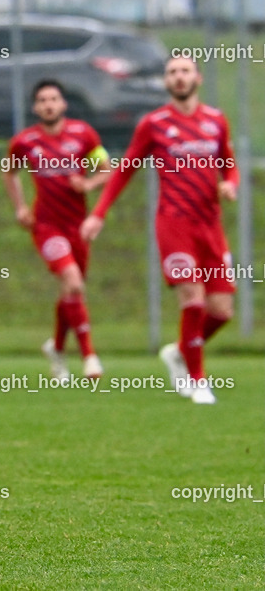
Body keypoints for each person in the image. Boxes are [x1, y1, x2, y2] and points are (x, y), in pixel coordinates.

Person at [81, 56, 239, 405]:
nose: (179, 78)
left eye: (184, 71)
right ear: (165, 82)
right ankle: (198, 381)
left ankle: (179, 352)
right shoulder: (153, 124)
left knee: (222, 311)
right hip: (174, 225)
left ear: (197, 77)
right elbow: (124, 170)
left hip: (210, 227)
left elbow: (228, 164)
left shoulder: (215, 121)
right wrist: (99, 213)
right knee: (193, 300)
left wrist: (230, 184)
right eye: (171, 73)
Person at [3, 79, 110, 380]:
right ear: (35, 107)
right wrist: (21, 207)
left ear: (63, 104)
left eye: (53, 99)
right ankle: (89, 356)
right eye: (42, 100)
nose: (48, 105)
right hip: (46, 226)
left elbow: (105, 169)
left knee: (70, 291)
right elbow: (9, 172)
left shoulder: (82, 135)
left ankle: (58, 350)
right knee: (74, 283)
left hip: (78, 225)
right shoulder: (26, 141)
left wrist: (88, 183)